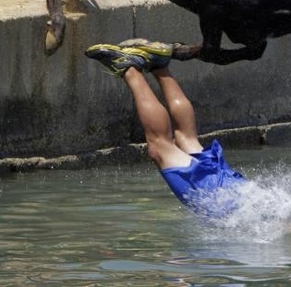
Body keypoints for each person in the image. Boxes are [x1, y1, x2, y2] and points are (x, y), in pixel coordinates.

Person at [86, 39, 247, 216]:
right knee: (160, 148)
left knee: (187, 139)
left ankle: (158, 64)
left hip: (240, 191)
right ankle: (128, 67)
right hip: (223, 203)